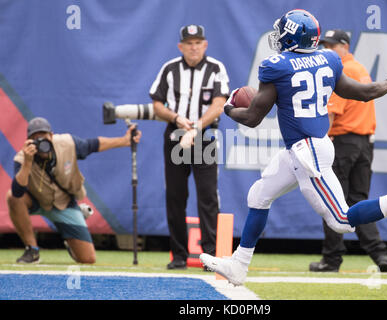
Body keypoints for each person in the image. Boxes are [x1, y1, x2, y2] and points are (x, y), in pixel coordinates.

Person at [200, 9, 387, 285]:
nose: (278, 36)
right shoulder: (328, 59)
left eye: (283, 31)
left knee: (341, 220)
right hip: (304, 148)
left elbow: (252, 118)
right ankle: (238, 266)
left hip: (308, 153)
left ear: (292, 37)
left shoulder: (276, 66)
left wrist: (228, 108)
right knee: (259, 195)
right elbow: (364, 93)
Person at [309, 29, 387, 273]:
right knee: (358, 201)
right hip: (365, 144)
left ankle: (331, 260)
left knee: (333, 201)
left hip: (343, 143)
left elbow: (332, 114)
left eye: (332, 46)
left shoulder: (341, 69)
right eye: (324, 45)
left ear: (344, 46)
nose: (327, 50)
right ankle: (380, 255)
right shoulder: (359, 67)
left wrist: (317, 141)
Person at [6, 117, 142, 264]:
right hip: (36, 200)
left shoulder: (67, 143)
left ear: (51, 136)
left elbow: (93, 145)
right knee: (12, 197)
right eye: (36, 138)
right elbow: (17, 192)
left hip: (64, 203)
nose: (42, 142)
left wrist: (124, 141)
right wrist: (27, 162)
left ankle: (72, 238)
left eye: (44, 137)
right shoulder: (22, 157)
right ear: (29, 141)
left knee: (87, 259)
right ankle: (32, 250)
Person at [149, 24, 230, 270]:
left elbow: (219, 104)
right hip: (176, 135)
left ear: (205, 44)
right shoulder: (170, 69)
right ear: (181, 46)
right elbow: (157, 104)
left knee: (207, 196)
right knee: (176, 196)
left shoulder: (216, 68)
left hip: (203, 137)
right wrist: (176, 119)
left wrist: (196, 127)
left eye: (198, 43)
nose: (193, 47)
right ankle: (179, 255)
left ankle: (209, 256)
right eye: (189, 43)